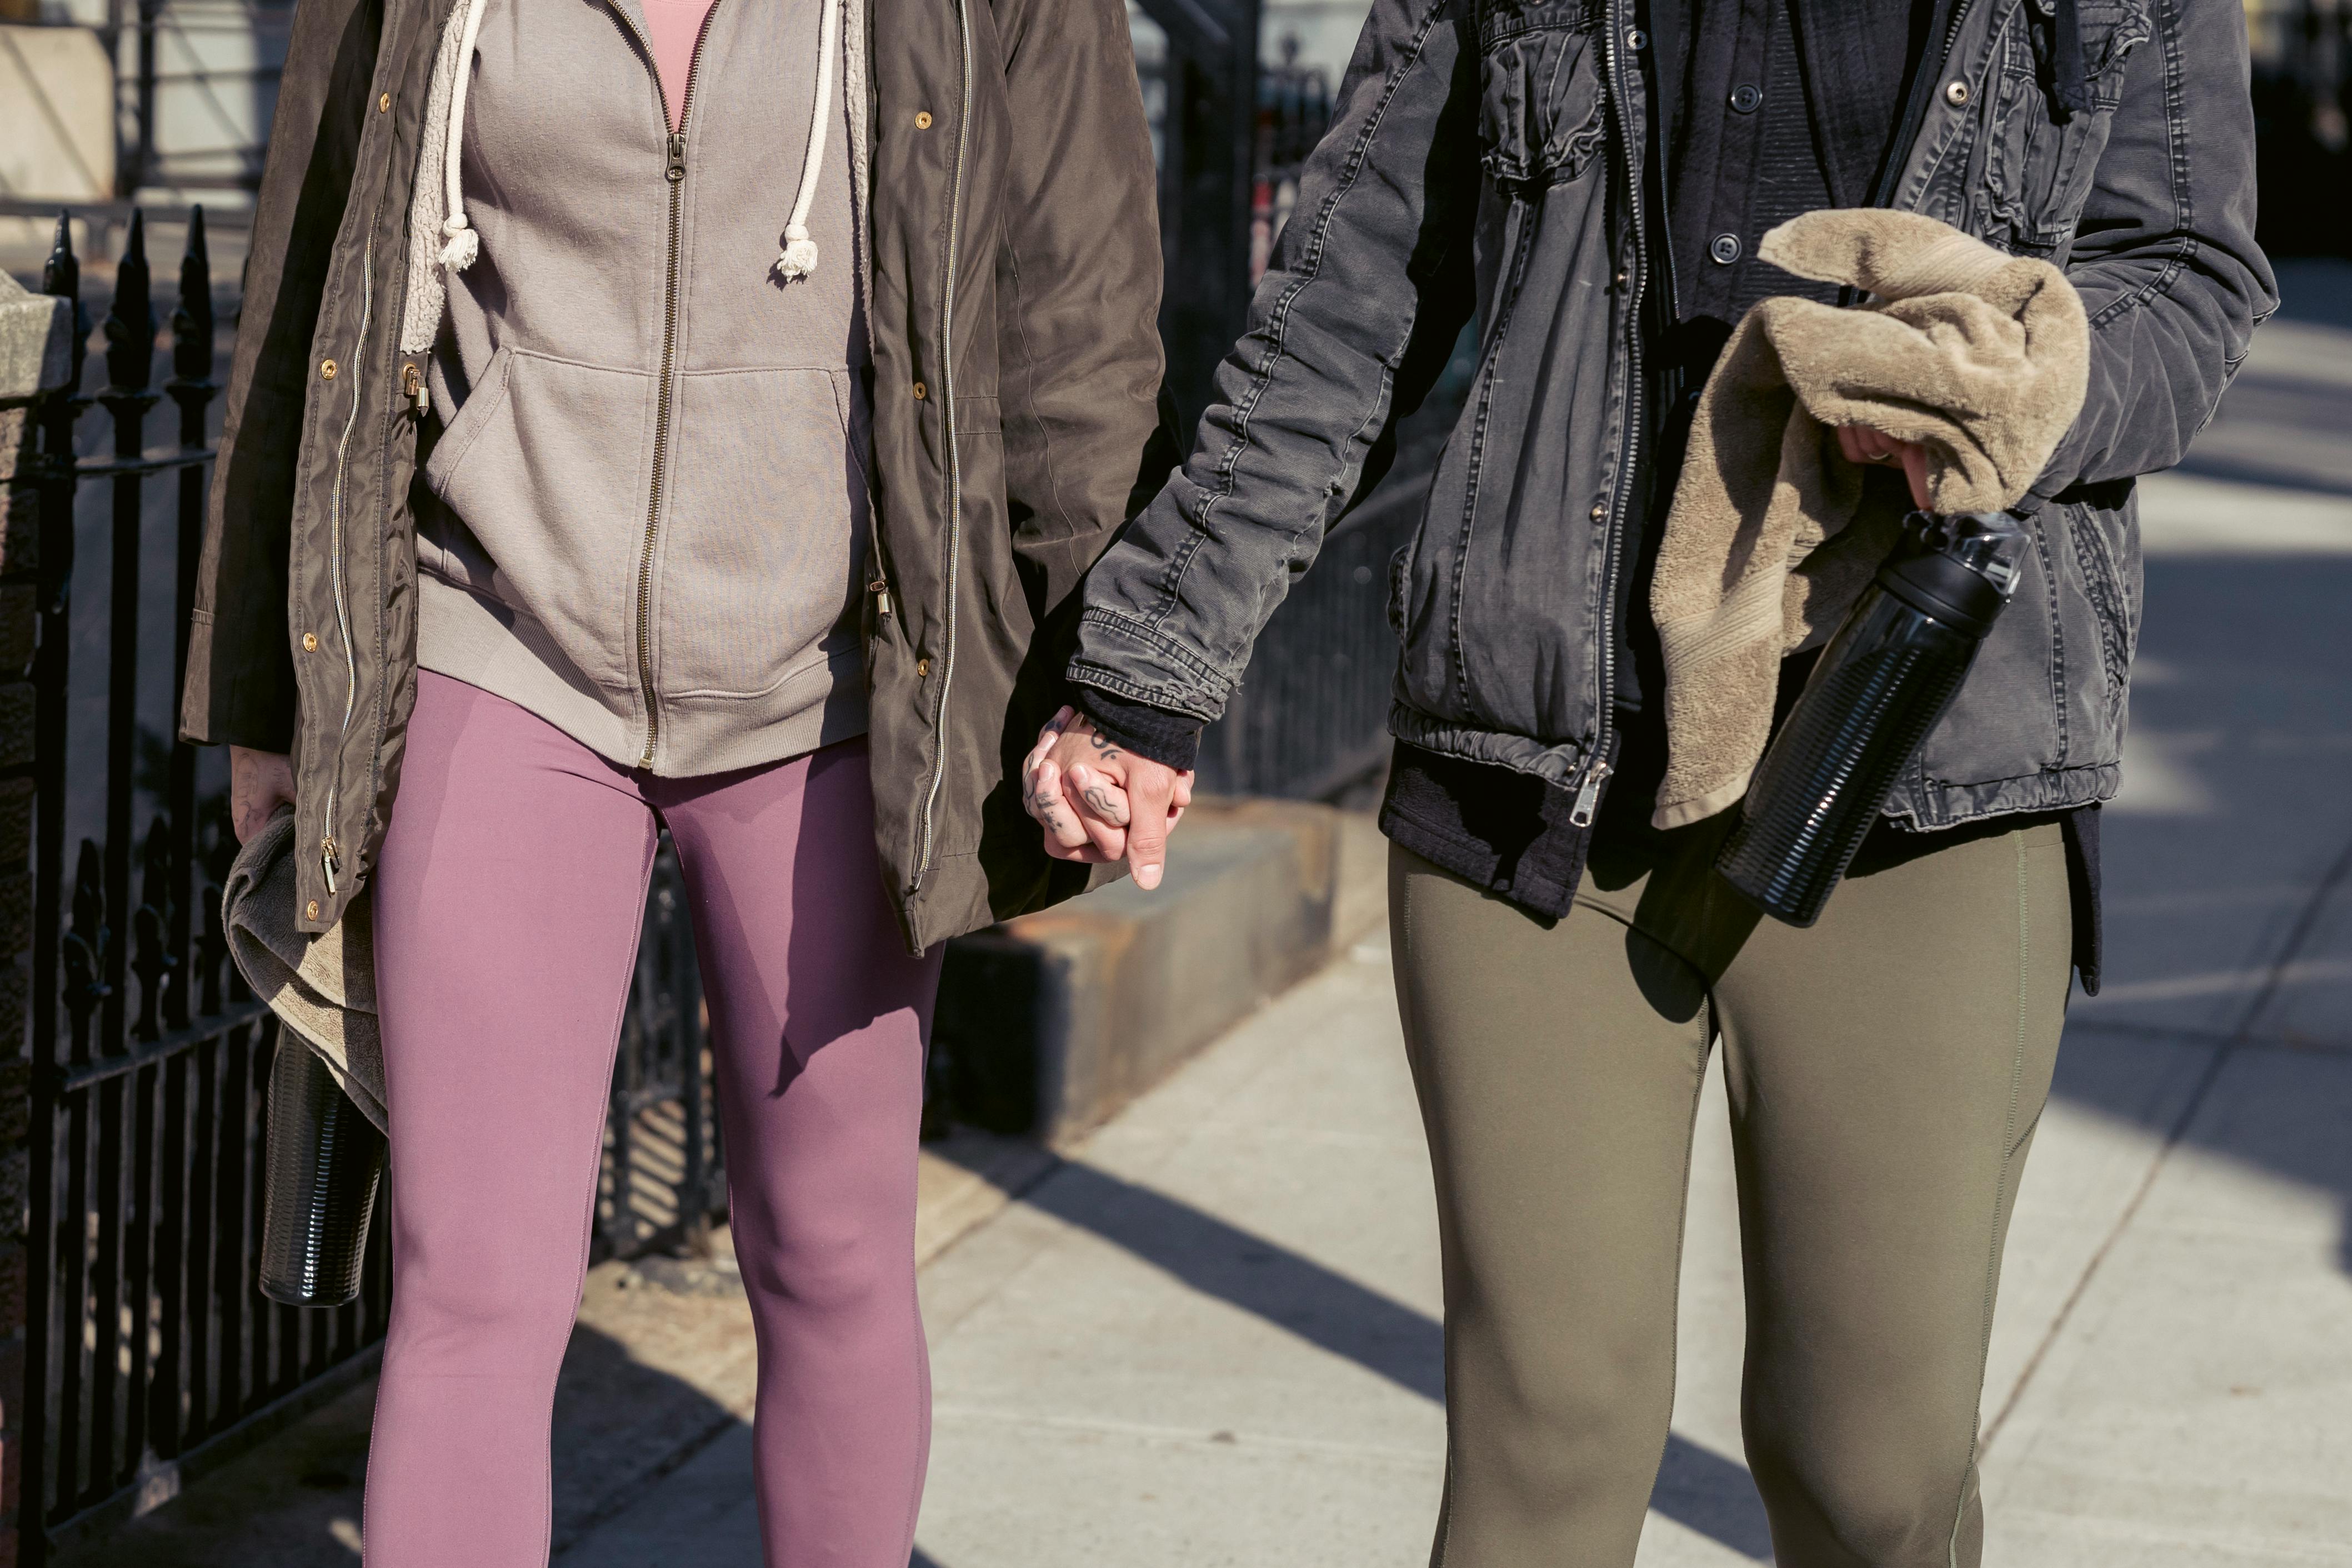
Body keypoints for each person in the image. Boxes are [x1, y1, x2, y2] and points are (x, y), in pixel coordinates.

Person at [1025, 0, 2274, 1561]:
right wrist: (1148, 672)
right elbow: (1347, 298)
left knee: (1868, 1475)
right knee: (1542, 1452)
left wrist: (2024, 383)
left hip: (1922, 772)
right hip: (1536, 759)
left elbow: (2188, 272)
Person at [183, 0, 1169, 1557]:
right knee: (472, 1279)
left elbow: (1081, 327)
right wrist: (261, 691)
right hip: (495, 638)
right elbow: (315, 256)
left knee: (830, 1252)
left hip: (837, 683)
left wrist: (1110, 693)